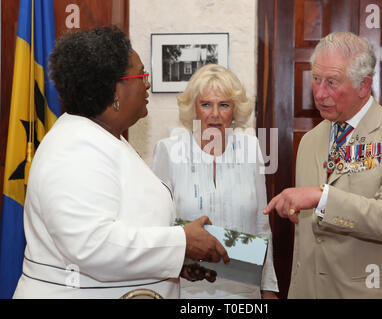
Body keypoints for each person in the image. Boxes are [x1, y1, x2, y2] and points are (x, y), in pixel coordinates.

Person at [13, 26, 229, 299]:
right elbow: (92, 246)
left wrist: (176, 262)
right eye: (141, 75)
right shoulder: (74, 148)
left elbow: (126, 222)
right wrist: (181, 243)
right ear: (115, 88)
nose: (147, 84)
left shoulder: (104, 137)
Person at [263, 32, 382, 298]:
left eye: (331, 82)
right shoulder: (309, 141)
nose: (319, 93)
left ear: (364, 86)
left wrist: (321, 197)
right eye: (316, 79)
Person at [152, 64, 279, 299]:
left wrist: (268, 287)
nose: (215, 114)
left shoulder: (251, 149)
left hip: (243, 290)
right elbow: (157, 223)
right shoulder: (169, 151)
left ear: (234, 110)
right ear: (194, 108)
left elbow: (262, 226)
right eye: (206, 104)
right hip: (187, 288)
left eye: (224, 105)